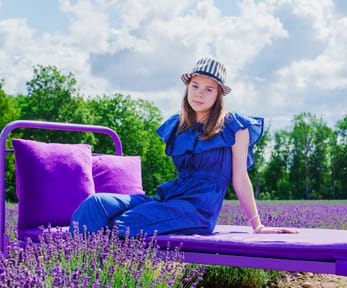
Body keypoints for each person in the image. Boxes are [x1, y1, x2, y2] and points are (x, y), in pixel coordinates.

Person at [70, 57, 297, 237]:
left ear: (218, 95)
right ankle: (75, 277)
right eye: (195, 85)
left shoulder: (234, 126)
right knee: (95, 204)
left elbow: (240, 178)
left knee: (122, 223)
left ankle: (88, 278)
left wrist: (257, 225)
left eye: (209, 89)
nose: (199, 93)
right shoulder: (177, 125)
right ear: (187, 88)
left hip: (198, 210)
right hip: (171, 198)